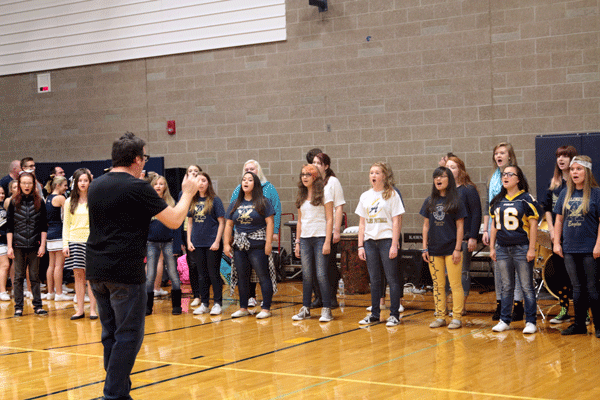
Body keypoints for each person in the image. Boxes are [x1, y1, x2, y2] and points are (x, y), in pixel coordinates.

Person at [86, 132, 201, 400]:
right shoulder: (137, 187)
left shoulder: (95, 185)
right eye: (144, 157)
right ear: (137, 159)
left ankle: (119, 393)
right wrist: (187, 194)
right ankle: (113, 395)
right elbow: (173, 220)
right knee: (129, 336)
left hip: (97, 270)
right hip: (124, 270)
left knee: (111, 335)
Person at [553, 155, 600, 337]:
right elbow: (559, 219)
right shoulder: (565, 193)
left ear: (586, 171)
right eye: (572, 169)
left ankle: (598, 326)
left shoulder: (596, 193)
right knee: (577, 288)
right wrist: (557, 242)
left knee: (593, 288)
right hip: (570, 248)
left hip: (590, 249)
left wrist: (598, 244)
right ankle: (579, 324)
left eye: (579, 169)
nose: (575, 172)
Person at [490, 165, 539, 334]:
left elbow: (533, 226)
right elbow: (494, 226)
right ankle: (505, 319)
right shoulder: (497, 201)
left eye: (510, 174)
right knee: (506, 286)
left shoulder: (526, 199)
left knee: (526, 286)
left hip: (521, 248)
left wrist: (531, 249)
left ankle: (531, 321)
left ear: (518, 179)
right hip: (502, 248)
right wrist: (492, 248)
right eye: (504, 174)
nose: (506, 177)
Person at [356, 162, 404, 327]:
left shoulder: (392, 194)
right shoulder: (365, 196)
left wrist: (394, 244)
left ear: (384, 176)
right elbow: (362, 223)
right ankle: (375, 314)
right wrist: (360, 245)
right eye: (371, 173)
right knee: (375, 279)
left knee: (392, 278)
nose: (373, 176)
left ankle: (394, 314)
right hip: (369, 242)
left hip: (386, 240)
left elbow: (397, 221)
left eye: (377, 172)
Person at [481, 142, 524, 321]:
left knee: (515, 269)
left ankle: (518, 305)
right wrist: (485, 229)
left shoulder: (515, 174)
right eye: (496, 153)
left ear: (509, 156)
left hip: (512, 227)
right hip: (494, 226)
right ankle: (500, 304)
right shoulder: (492, 177)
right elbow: (487, 205)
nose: (498, 156)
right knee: (498, 268)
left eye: (502, 153)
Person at [229, 160, 281, 307]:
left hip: (261, 236)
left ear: (259, 171)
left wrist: (273, 234)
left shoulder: (269, 189)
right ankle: (248, 300)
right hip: (241, 238)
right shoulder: (237, 190)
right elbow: (232, 216)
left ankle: (266, 303)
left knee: (262, 272)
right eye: (247, 169)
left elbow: (275, 212)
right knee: (243, 273)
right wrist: (233, 235)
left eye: (252, 169)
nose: (249, 171)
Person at [224, 171, 275, 320]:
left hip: (258, 245)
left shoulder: (263, 202)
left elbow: (270, 223)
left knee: (263, 276)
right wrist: (226, 244)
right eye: (244, 179)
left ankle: (265, 308)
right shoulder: (235, 203)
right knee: (242, 277)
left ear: (256, 184)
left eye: (250, 180)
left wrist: (268, 243)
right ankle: (243, 307)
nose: (245, 182)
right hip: (239, 246)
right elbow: (228, 225)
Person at [420, 167, 466, 329]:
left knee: (455, 284)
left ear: (449, 179)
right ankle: (440, 316)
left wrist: (457, 248)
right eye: (436, 177)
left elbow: (460, 227)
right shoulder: (429, 201)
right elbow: (426, 226)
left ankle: (457, 317)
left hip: (451, 248)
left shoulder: (456, 200)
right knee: (438, 285)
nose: (438, 179)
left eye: (442, 176)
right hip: (433, 250)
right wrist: (424, 248)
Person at [291, 164, 334, 322]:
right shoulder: (301, 195)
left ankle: (327, 309)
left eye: (308, 174)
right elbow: (300, 221)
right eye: (302, 174)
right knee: (307, 275)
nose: (304, 177)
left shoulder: (325, 193)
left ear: (315, 177)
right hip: (305, 239)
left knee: (321, 274)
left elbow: (330, 219)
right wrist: (297, 242)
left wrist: (327, 241)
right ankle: (306, 308)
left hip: (320, 237)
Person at [543, 145, 578, 324]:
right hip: (558, 237)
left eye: (565, 156)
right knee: (561, 275)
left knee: (577, 277)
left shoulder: (578, 183)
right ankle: (564, 309)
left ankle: (583, 313)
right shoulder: (554, 184)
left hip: (575, 236)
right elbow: (547, 208)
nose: (561, 159)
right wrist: (551, 229)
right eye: (558, 156)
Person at [6, 172, 48, 316]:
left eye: (29, 183)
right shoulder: (13, 202)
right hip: (18, 245)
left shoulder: (40, 201)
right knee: (18, 277)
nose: (26, 186)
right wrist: (10, 246)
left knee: (34, 276)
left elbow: (43, 226)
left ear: (34, 184)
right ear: (19, 185)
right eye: (24, 183)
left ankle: (38, 306)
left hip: (35, 245)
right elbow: (9, 227)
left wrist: (42, 245)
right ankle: (18, 307)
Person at [444, 155, 482, 310]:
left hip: (464, 238)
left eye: (453, 167)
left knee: (462, 272)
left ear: (460, 170)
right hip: (447, 239)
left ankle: (461, 306)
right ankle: (444, 305)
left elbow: (476, 213)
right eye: (447, 167)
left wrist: (473, 236)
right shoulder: (444, 190)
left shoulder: (468, 189)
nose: (449, 170)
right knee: (446, 273)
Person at [187, 172, 225, 316]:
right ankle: (204, 303)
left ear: (208, 183)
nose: (201, 183)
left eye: (204, 180)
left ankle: (217, 303)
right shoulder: (192, 200)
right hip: (197, 243)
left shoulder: (215, 200)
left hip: (212, 243)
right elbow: (190, 223)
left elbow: (222, 222)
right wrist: (189, 241)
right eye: (198, 181)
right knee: (201, 275)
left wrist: (217, 241)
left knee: (213, 274)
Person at [145, 175, 183, 316]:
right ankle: (148, 307)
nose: (159, 186)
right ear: (152, 186)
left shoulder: (171, 203)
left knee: (173, 274)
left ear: (165, 187)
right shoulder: (147, 203)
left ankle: (177, 306)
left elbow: (177, 227)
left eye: (162, 184)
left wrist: (177, 246)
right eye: (156, 184)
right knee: (150, 276)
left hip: (168, 242)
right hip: (151, 243)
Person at [312, 153, 345, 309]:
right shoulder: (312, 182)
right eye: (314, 163)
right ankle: (318, 297)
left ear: (326, 166)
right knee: (313, 266)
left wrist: (336, 230)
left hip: (328, 230)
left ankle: (331, 298)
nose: (316, 165)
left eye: (319, 163)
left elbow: (339, 207)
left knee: (328, 265)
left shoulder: (333, 182)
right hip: (315, 230)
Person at [64, 168, 97, 320]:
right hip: (74, 240)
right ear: (75, 183)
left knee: (91, 277)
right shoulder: (69, 201)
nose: (83, 183)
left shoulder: (95, 199)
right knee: (78, 276)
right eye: (80, 181)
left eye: (85, 180)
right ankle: (80, 310)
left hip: (91, 242)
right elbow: (66, 225)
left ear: (90, 182)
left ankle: (93, 310)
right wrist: (65, 244)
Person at [44, 176, 72, 301]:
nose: (66, 188)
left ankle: (51, 292)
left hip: (50, 234)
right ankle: (59, 294)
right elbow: (68, 215)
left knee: (51, 265)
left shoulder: (47, 198)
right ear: (58, 185)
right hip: (59, 233)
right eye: (65, 185)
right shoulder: (61, 198)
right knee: (59, 266)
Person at [181, 164, 203, 307]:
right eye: (190, 171)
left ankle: (206, 295)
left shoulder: (204, 192)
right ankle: (196, 295)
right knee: (192, 265)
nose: (193, 173)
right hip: (186, 232)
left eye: (196, 171)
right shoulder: (182, 193)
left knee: (203, 266)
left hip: (202, 231)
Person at [0, 186, 10, 301]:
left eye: (3, 193)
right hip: (1, 242)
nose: (1, 195)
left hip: (4, 241)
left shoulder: (2, 207)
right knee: (5, 265)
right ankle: (2, 291)